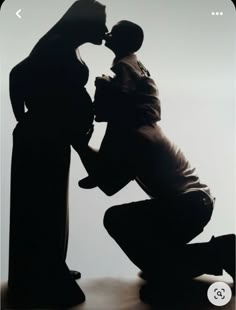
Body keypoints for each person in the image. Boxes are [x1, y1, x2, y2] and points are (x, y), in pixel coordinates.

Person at [76, 20, 236, 303]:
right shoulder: (135, 125)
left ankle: (217, 253)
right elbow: (106, 171)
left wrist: (77, 141)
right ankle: (193, 260)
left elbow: (109, 182)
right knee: (154, 258)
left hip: (190, 204)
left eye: (99, 98)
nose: (94, 106)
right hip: (192, 203)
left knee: (117, 219)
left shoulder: (136, 133)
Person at [7, 0, 107, 308]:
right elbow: (15, 73)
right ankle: (42, 278)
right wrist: (24, 119)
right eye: (101, 23)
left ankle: (49, 267)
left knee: (49, 207)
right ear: (84, 22)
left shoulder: (64, 45)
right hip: (41, 142)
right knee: (42, 207)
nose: (104, 30)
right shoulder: (56, 45)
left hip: (49, 139)